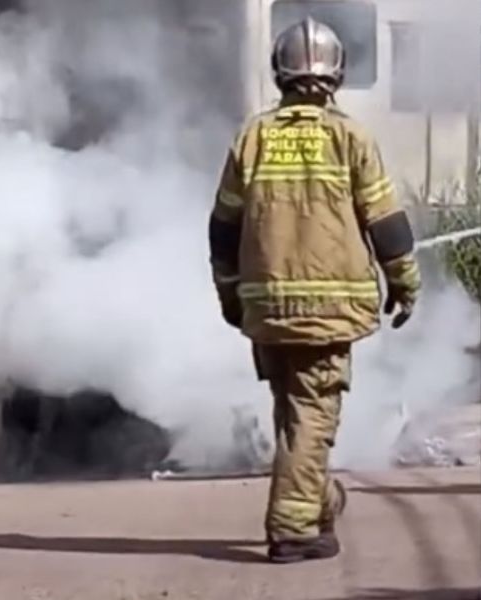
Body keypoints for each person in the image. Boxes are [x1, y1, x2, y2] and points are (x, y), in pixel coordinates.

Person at [208, 18, 421, 564]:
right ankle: (294, 528)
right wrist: (405, 284)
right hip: (328, 311)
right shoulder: (349, 137)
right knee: (312, 413)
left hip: (269, 308)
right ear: (338, 75)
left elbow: (224, 229)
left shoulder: (252, 138)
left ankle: (320, 502)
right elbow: (386, 223)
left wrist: (230, 293)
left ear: (279, 74)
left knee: (297, 413)